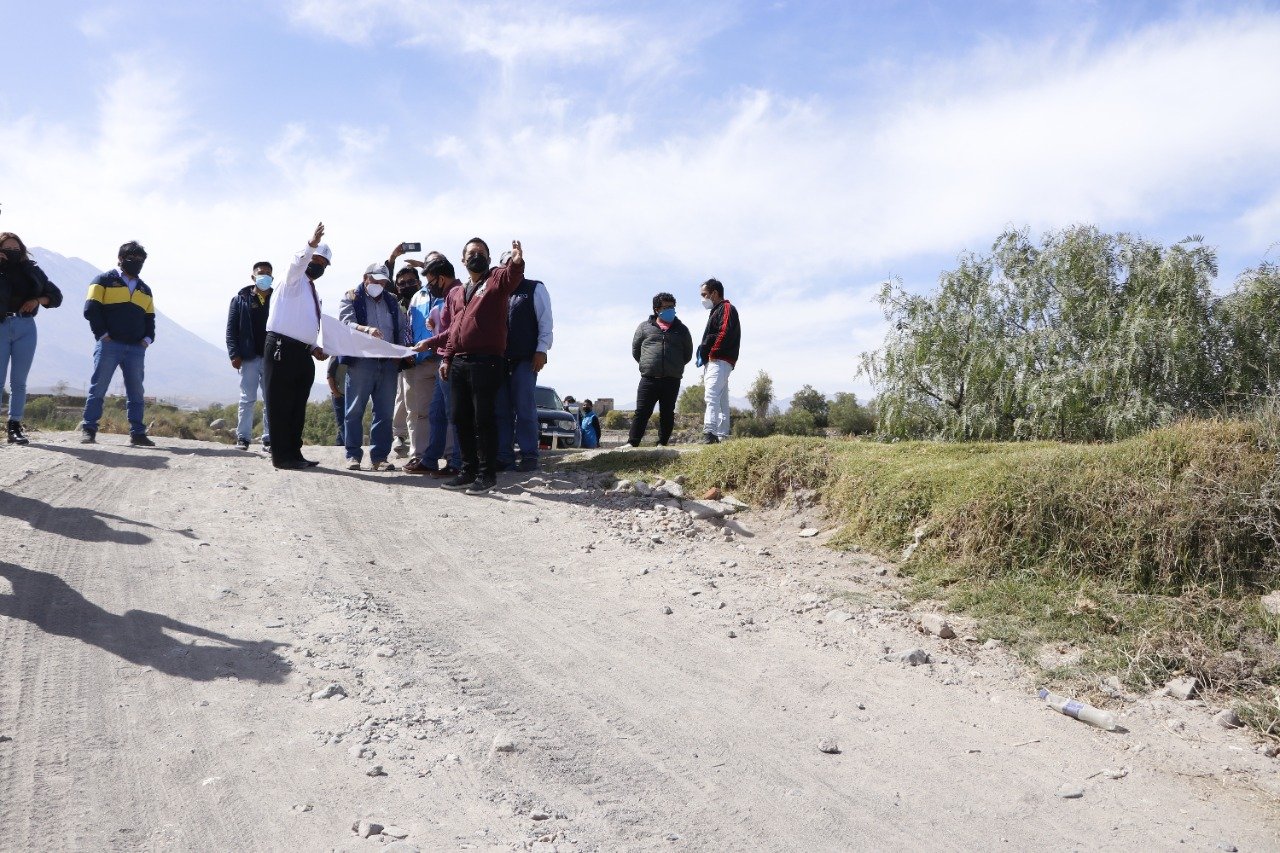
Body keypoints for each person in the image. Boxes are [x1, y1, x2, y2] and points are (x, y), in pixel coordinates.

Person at [438, 237, 525, 494]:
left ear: (488, 258)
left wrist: (517, 263)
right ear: (463, 260)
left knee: (483, 419)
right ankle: (467, 471)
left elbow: (512, 277)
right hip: (459, 361)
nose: (477, 256)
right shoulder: (459, 291)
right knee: (459, 417)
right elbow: (455, 328)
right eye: (472, 253)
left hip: (486, 361)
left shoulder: (496, 279)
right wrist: (447, 357)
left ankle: (487, 475)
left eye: (482, 253)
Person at [263, 222, 329, 470]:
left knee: (297, 406)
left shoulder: (312, 289)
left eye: (324, 265)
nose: (319, 266)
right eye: (318, 260)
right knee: (280, 403)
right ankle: (282, 457)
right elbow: (297, 262)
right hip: (282, 348)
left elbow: (307, 323)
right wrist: (311, 245)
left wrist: (314, 346)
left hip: (303, 353)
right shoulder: (292, 279)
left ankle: (295, 452)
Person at [79, 241, 157, 446]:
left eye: (141, 260)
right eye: (133, 258)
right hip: (109, 345)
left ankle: (138, 433)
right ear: (121, 259)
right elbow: (90, 309)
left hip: (135, 349)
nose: (137, 262)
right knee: (99, 387)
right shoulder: (103, 280)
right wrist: (102, 335)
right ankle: (89, 429)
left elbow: (150, 318)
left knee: (136, 391)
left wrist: (147, 340)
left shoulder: (145, 290)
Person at [339, 262, 411, 471]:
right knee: (354, 411)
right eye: (376, 280)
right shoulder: (352, 297)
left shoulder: (391, 301)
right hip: (361, 362)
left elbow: (402, 327)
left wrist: (401, 351)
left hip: (387, 363)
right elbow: (345, 322)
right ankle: (353, 455)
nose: (379, 285)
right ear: (366, 278)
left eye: (383, 282)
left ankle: (379, 457)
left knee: (385, 412)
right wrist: (365, 329)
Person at [0, 232, 63, 445]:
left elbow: (56, 295)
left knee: (19, 382)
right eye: (7, 249)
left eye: (16, 249)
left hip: (25, 327)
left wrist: (38, 299)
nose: (13, 253)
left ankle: (14, 427)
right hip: (0, 326)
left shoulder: (32, 270)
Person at [494, 273, 552, 472]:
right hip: (499, 360)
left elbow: (545, 321)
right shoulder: (497, 291)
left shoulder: (534, 288)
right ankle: (504, 456)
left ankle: (529, 454)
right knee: (501, 410)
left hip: (526, 358)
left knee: (524, 407)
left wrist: (542, 350)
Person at [412, 254, 462, 476]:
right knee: (436, 413)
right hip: (444, 358)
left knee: (454, 414)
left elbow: (455, 332)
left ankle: (458, 463)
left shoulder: (457, 294)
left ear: (441, 279)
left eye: (431, 282)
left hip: (451, 360)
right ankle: (431, 459)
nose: (430, 288)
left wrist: (431, 342)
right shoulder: (451, 294)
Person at [629, 292, 693, 447]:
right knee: (642, 412)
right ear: (656, 309)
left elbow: (688, 354)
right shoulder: (644, 327)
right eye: (666, 307)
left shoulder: (682, 329)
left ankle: (662, 443)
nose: (670, 310)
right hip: (649, 378)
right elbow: (636, 351)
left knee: (667, 413)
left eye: (672, 307)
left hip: (672, 379)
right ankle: (632, 443)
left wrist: (674, 366)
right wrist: (648, 364)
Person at [226, 261, 274, 450]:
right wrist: (234, 354)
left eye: (268, 273)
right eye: (261, 273)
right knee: (247, 398)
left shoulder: (278, 298)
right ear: (253, 276)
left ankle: (269, 438)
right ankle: (243, 438)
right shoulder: (240, 300)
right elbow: (231, 330)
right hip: (249, 357)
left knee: (271, 398)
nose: (265, 276)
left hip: (272, 357)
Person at [696, 278, 740, 444]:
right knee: (721, 399)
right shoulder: (715, 310)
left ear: (714, 293)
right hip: (716, 359)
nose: (703, 299)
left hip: (719, 358)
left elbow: (724, 332)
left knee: (711, 395)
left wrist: (713, 352)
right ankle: (721, 434)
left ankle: (710, 431)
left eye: (705, 294)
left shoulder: (726, 308)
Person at [387, 244, 419, 457]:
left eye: (411, 282)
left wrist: (425, 265)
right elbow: (383, 282)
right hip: (401, 356)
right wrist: (392, 258)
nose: (406, 285)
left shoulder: (425, 299)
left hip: (424, 354)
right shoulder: (395, 301)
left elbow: (446, 281)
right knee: (401, 396)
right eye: (402, 283)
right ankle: (399, 436)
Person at [327, 357, 347, 446]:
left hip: (350, 394)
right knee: (342, 421)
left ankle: (340, 444)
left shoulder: (354, 353)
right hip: (339, 394)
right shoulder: (336, 355)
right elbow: (329, 375)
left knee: (347, 420)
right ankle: (348, 444)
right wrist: (335, 392)